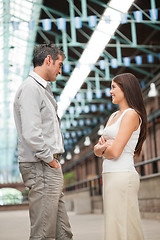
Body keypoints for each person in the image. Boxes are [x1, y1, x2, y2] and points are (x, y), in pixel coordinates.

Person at [14, 43, 73, 240]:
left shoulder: (41, 89)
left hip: (48, 166)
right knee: (44, 233)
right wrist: (51, 160)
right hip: (42, 166)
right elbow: (32, 133)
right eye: (60, 64)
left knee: (63, 232)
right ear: (48, 60)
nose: (60, 70)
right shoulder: (31, 88)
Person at [94, 73, 147, 240]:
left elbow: (115, 152)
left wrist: (104, 148)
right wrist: (103, 148)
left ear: (126, 89)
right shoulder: (113, 116)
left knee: (124, 226)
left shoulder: (131, 114)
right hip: (110, 176)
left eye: (113, 87)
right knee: (115, 225)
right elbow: (96, 149)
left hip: (122, 175)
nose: (110, 91)